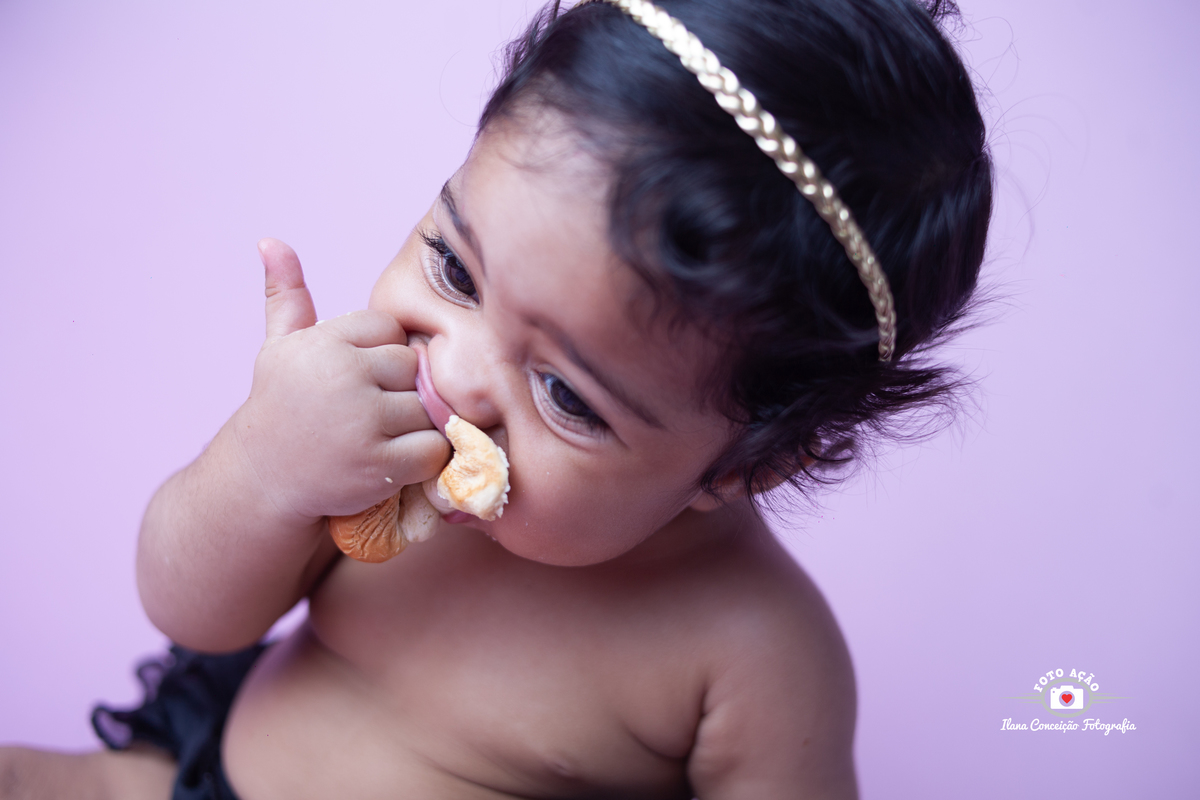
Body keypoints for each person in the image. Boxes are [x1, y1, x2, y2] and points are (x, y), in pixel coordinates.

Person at [0, 0, 991, 797]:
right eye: (456, 271)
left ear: (745, 465)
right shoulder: (366, 448)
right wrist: (262, 465)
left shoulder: (752, 650)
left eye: (565, 391)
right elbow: (193, 613)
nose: (462, 376)